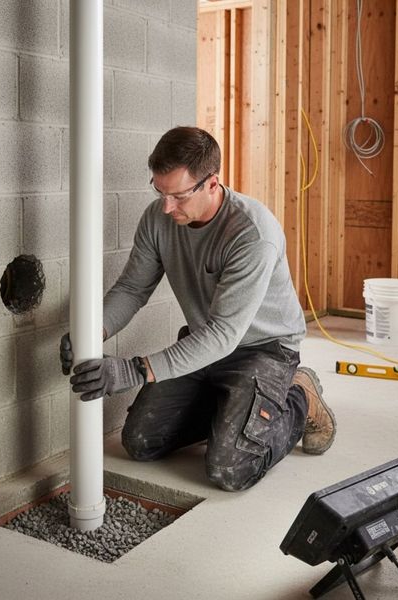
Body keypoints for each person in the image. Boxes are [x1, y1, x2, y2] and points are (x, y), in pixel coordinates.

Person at [60, 126, 336, 491]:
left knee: (229, 470)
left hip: (264, 350)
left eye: (178, 195)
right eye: (160, 191)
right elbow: (131, 288)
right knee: (141, 443)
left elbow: (225, 333)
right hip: (205, 345)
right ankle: (232, 413)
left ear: (211, 183)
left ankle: (301, 394)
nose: (166, 206)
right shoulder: (159, 219)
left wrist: (135, 371)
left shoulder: (252, 234)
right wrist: (92, 330)